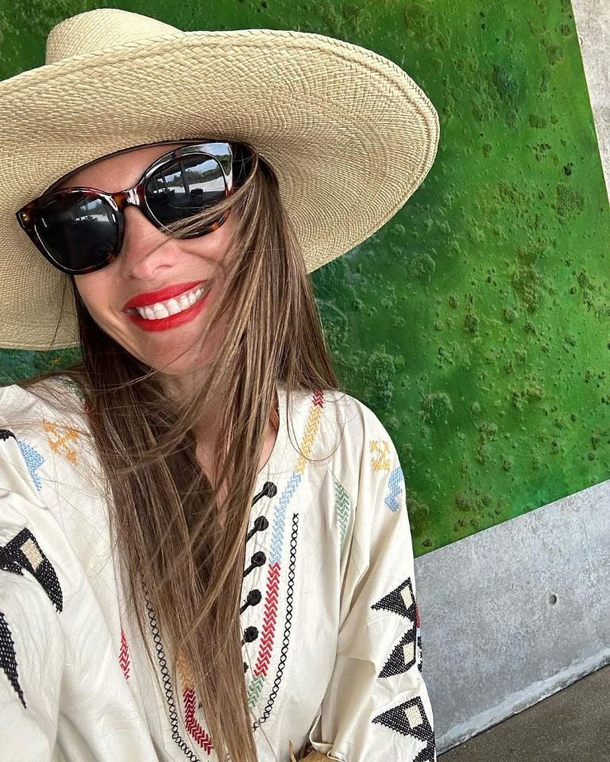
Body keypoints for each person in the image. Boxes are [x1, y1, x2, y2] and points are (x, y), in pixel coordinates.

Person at [0, 8, 440, 762]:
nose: (144, 257)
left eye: (187, 190)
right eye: (82, 225)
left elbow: (384, 716)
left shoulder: (349, 448)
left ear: (255, 204)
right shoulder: (30, 471)